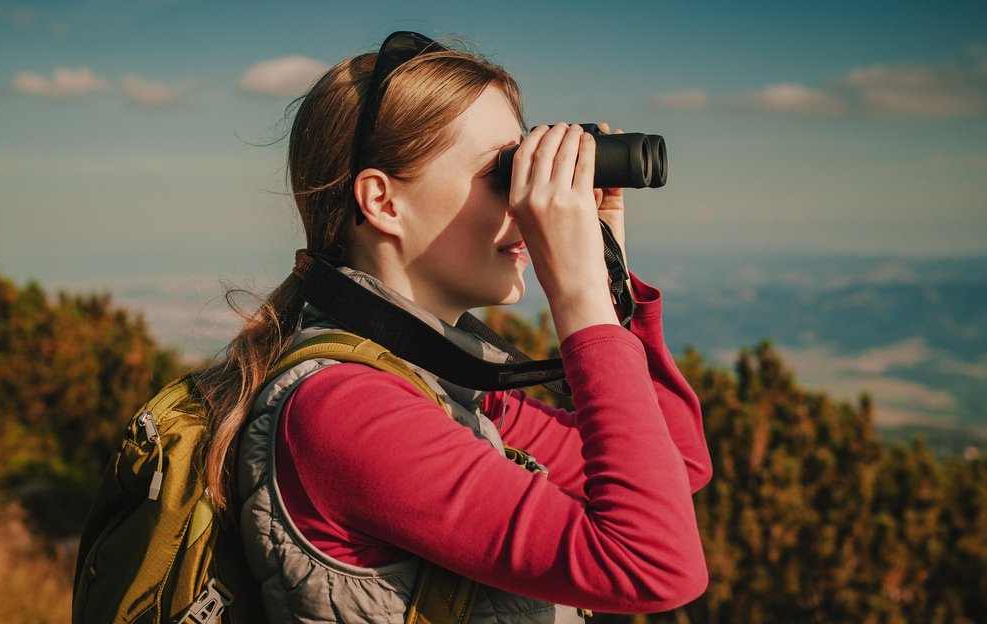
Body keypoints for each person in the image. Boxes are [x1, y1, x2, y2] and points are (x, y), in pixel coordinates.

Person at [193, 31, 712, 622]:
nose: (528, 201)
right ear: (384, 203)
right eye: (504, 173)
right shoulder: (346, 409)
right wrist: (577, 298)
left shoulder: (443, 383)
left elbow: (678, 463)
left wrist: (604, 270)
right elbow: (653, 565)